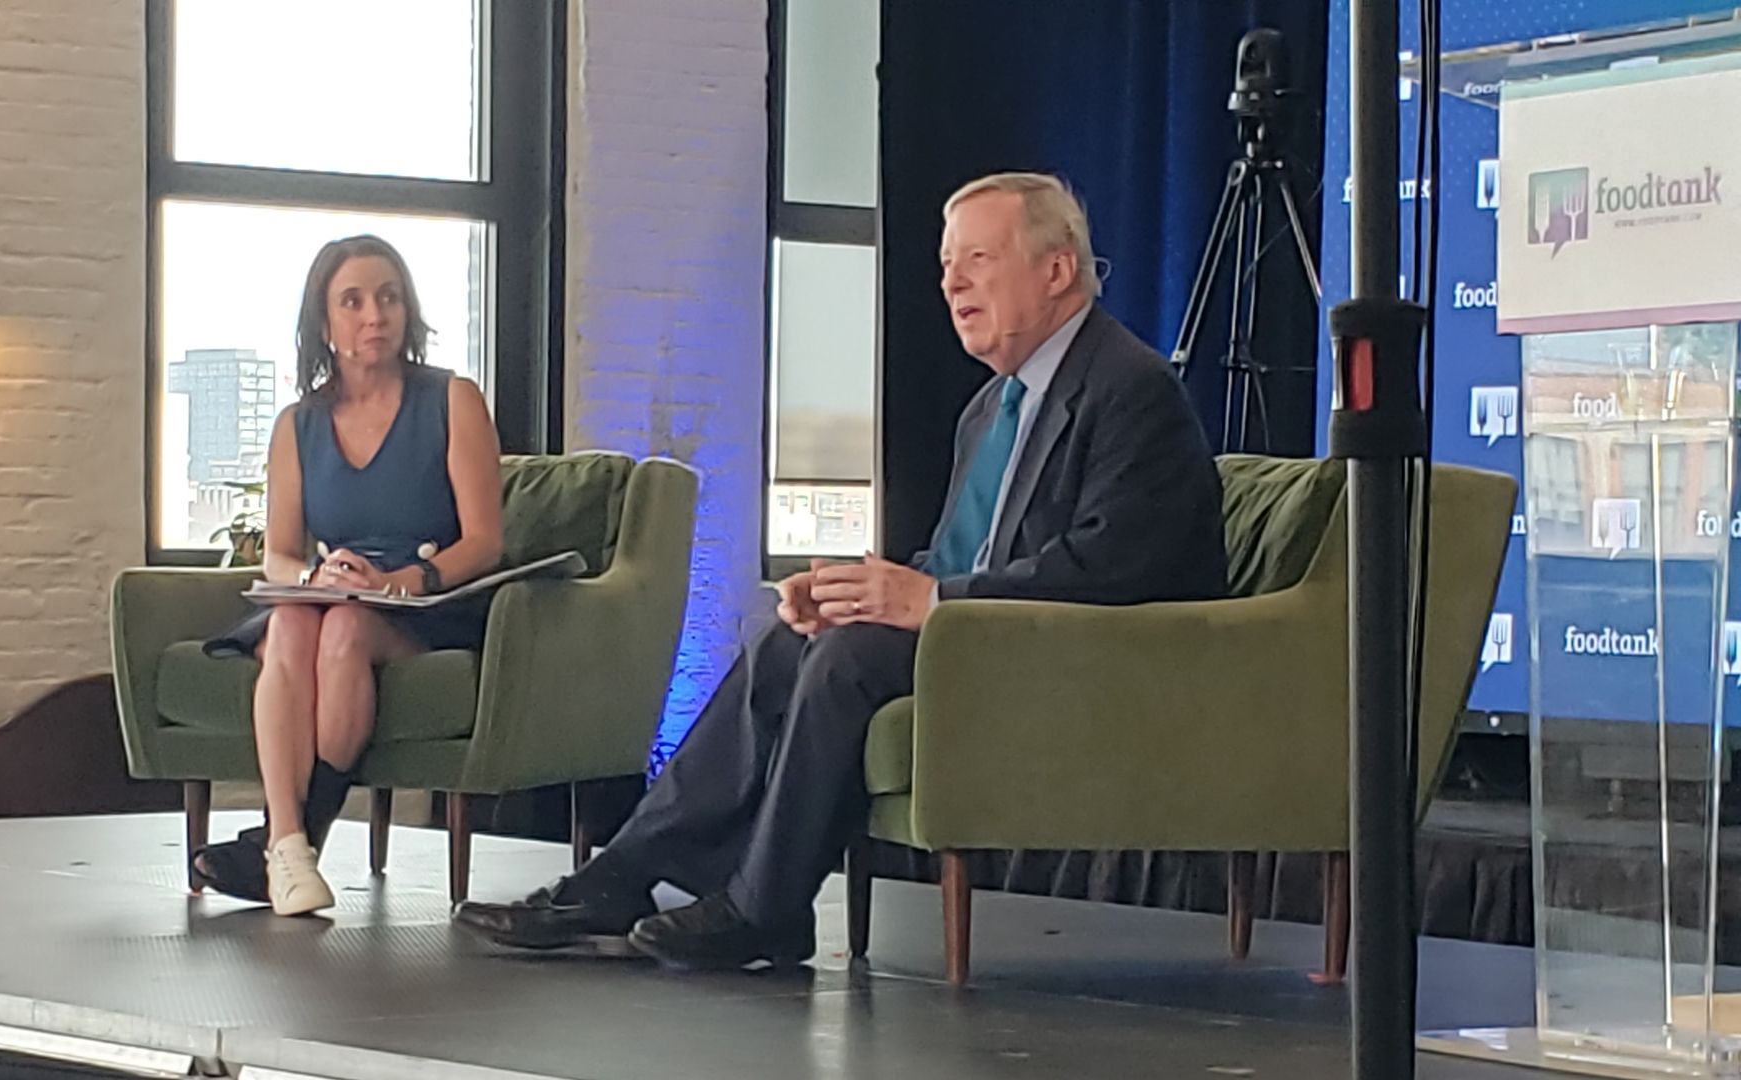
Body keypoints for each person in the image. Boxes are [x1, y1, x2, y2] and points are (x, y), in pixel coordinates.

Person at [455, 172, 1228, 969]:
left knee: (850, 657)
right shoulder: (989, 409)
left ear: (1057, 270)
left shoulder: (1133, 389)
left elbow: (1113, 566)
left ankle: (765, 908)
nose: (952, 284)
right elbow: (963, 560)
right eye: (945, 266)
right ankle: (621, 879)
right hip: (988, 639)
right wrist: (857, 594)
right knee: (790, 639)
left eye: (977, 259)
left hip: (1089, 660)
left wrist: (930, 600)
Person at [192, 235, 505, 916]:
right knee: (291, 624)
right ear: (324, 322)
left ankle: (285, 842)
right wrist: (317, 574)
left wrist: (408, 579)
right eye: (353, 301)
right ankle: (288, 845)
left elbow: (485, 540)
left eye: (388, 298)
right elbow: (278, 554)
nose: (374, 315)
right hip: (333, 593)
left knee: (342, 632)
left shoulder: (452, 399)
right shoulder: (296, 424)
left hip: (426, 601)